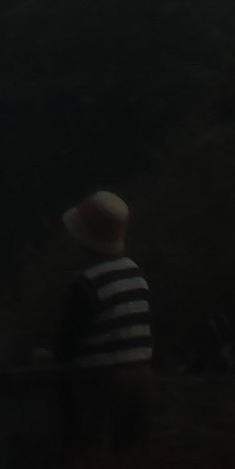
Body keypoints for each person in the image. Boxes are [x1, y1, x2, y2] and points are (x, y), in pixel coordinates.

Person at [53, 190, 152, 455]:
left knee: (94, 457)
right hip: (141, 379)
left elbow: (66, 346)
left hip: (100, 385)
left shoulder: (86, 283)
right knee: (132, 456)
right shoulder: (135, 274)